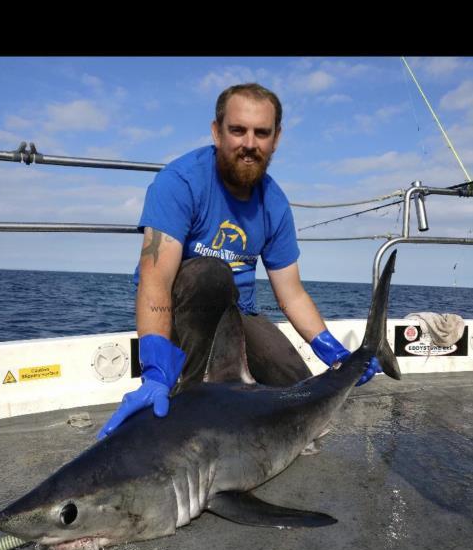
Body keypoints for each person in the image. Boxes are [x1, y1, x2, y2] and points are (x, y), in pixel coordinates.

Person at [97, 83, 380, 439]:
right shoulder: (180, 181)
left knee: (298, 397)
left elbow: (291, 295)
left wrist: (335, 353)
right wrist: (154, 368)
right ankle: (188, 398)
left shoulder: (274, 202)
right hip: (181, 308)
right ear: (217, 132)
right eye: (238, 130)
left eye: (262, 133)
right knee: (210, 275)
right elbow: (155, 280)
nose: (249, 143)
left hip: (238, 313)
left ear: (276, 139)